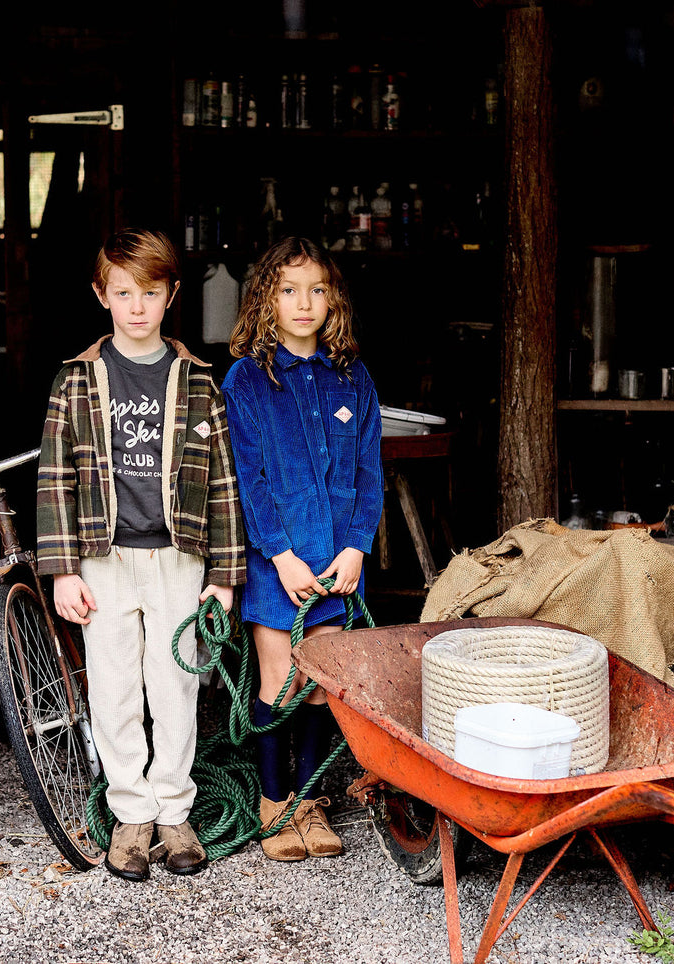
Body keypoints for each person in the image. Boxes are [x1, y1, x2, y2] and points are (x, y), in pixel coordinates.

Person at [36, 228, 245, 882]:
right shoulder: (76, 379)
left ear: (170, 295)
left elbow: (222, 481)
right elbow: (53, 477)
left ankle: (174, 809)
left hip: (178, 558)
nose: (136, 307)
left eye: (149, 293)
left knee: (175, 685)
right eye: (123, 293)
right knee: (116, 687)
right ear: (101, 295)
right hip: (103, 557)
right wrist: (63, 567)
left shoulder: (198, 381)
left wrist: (225, 576)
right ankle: (130, 812)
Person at [221, 236, 383, 862]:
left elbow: (369, 471)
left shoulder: (353, 376)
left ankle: (310, 801)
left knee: (322, 687)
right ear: (267, 298)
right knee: (281, 679)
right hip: (279, 562)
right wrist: (280, 554)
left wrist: (356, 547)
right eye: (289, 290)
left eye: (317, 290)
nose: (303, 302)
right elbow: (248, 478)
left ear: (333, 300)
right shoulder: (248, 381)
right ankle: (273, 803)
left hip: (339, 564)